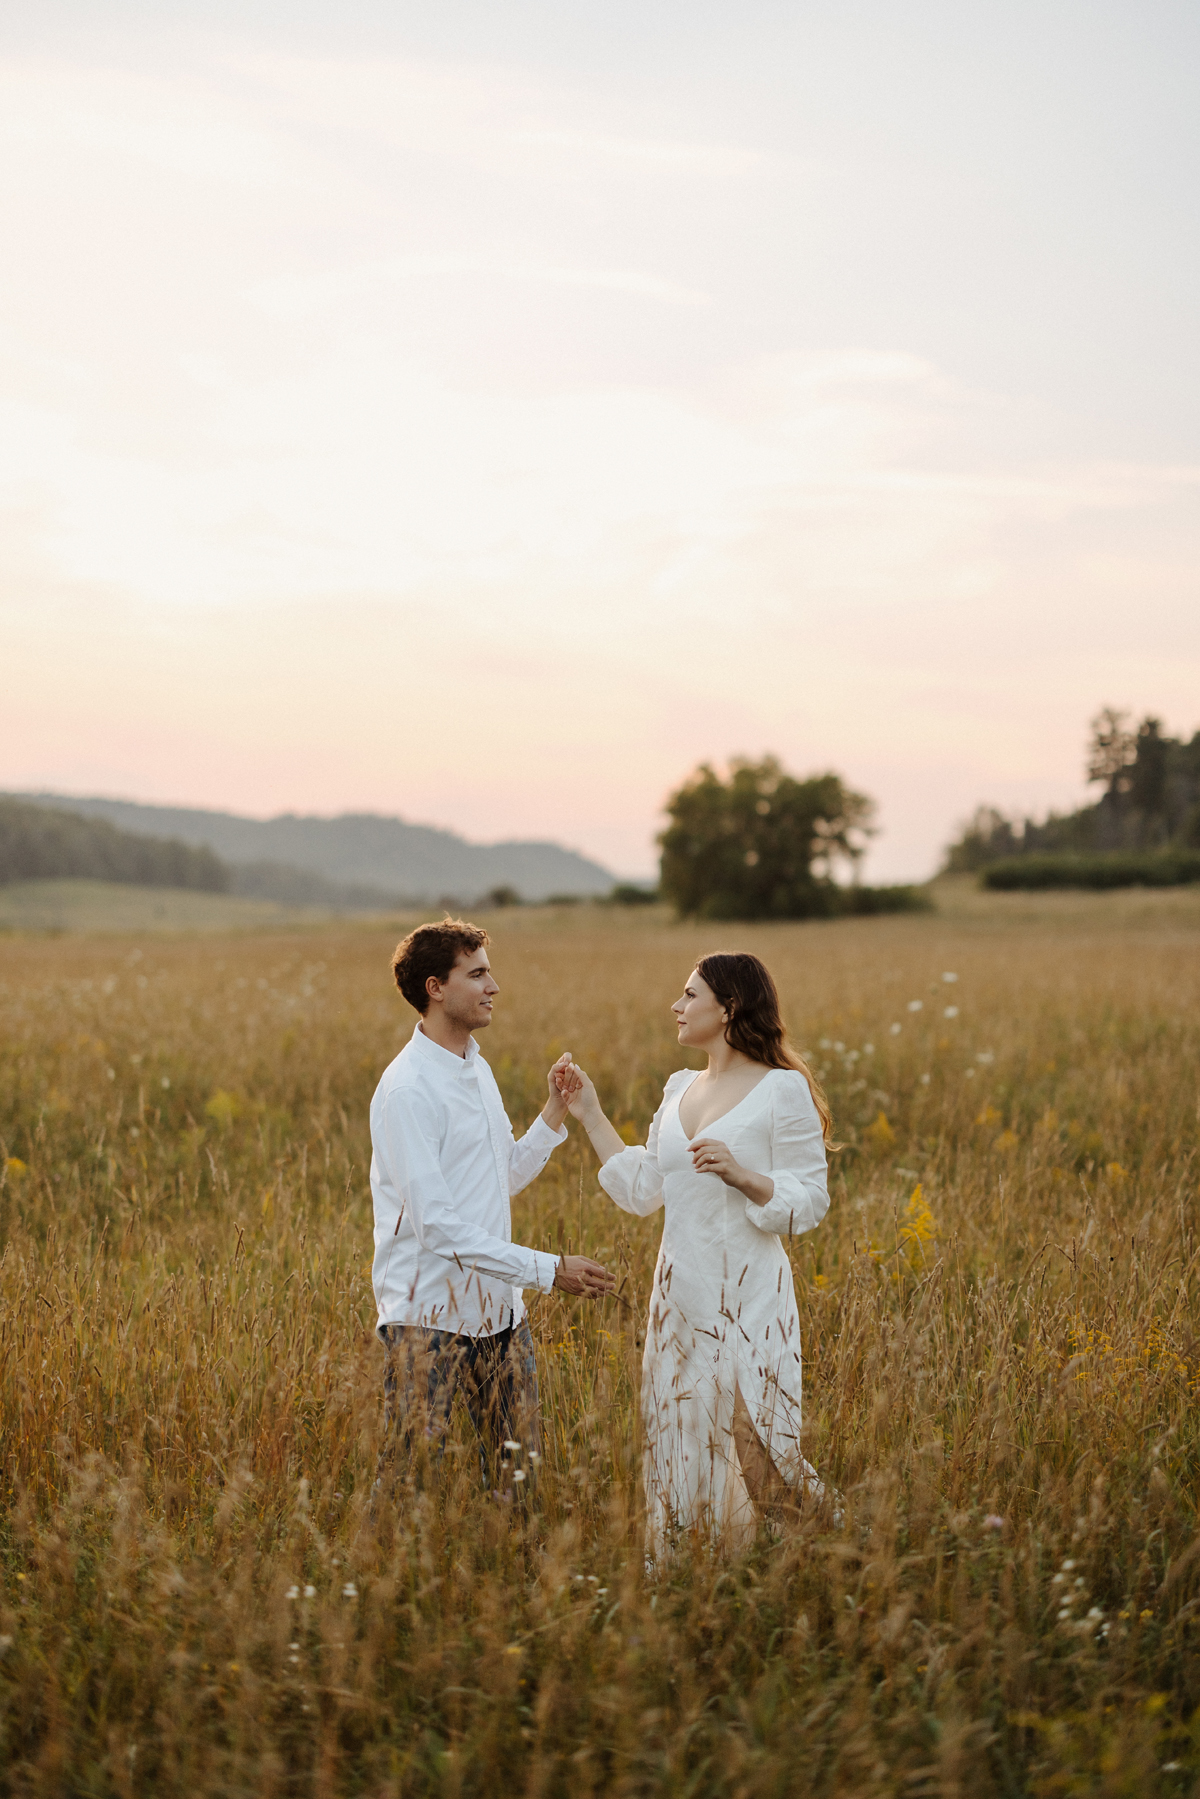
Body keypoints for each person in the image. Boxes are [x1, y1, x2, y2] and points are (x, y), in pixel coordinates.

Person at [558, 951, 834, 1551]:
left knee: (756, 1442)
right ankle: (704, 1570)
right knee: (685, 1437)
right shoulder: (680, 1088)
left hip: (748, 1295)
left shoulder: (781, 1091)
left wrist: (744, 1176)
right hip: (679, 1298)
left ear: (728, 1007)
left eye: (689, 995)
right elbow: (643, 1190)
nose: (676, 1007)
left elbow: (810, 1201)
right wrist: (591, 1114)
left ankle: (831, 1554)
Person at [371, 917, 613, 1491]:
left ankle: (521, 1577)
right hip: (425, 1319)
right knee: (408, 1483)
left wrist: (554, 1112)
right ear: (435, 988)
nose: (493, 986)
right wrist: (550, 1270)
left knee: (518, 1480)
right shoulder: (407, 1090)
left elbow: (501, 1176)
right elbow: (436, 1227)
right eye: (477, 974)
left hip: (500, 1314)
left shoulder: (475, 1067)